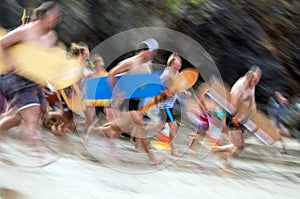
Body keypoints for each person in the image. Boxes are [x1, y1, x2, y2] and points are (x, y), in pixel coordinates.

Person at [90, 38, 165, 165]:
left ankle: (95, 130)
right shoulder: (131, 62)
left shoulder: (148, 64)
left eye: (155, 53)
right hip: (126, 100)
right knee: (141, 127)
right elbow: (112, 74)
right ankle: (152, 158)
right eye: (152, 52)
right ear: (146, 51)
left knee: (122, 126)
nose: (153, 55)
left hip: (137, 101)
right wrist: (118, 91)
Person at [0, 2, 61, 148]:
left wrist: (42, 82)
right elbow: (2, 43)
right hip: (15, 77)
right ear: (44, 16)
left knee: (17, 117)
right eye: (55, 15)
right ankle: (35, 158)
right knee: (32, 118)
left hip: (33, 81)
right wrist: (11, 63)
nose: (57, 19)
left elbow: (44, 61)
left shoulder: (51, 37)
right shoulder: (26, 30)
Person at [211, 66, 262, 172]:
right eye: (255, 80)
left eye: (258, 81)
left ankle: (224, 160)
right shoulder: (240, 85)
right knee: (238, 145)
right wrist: (237, 118)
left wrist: (254, 115)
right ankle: (217, 152)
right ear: (248, 77)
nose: (256, 83)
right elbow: (233, 103)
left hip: (243, 117)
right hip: (233, 116)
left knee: (237, 145)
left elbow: (252, 101)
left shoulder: (251, 85)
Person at [156, 52, 183, 157]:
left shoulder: (176, 73)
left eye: (180, 63)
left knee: (160, 125)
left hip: (169, 105)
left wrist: (185, 92)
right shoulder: (167, 73)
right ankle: (173, 150)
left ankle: (139, 135)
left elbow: (178, 86)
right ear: (171, 63)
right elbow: (157, 84)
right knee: (173, 126)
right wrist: (165, 93)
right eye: (177, 63)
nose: (179, 65)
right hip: (165, 105)